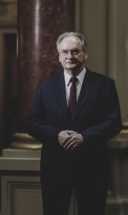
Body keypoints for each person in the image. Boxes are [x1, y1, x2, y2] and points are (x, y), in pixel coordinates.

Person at [27, 31, 122, 215]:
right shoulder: (45, 87)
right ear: (59, 56)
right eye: (65, 52)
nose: (69, 56)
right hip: (55, 167)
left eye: (75, 51)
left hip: (92, 166)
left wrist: (84, 137)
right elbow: (32, 123)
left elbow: (114, 122)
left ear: (85, 53)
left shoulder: (104, 85)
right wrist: (57, 135)